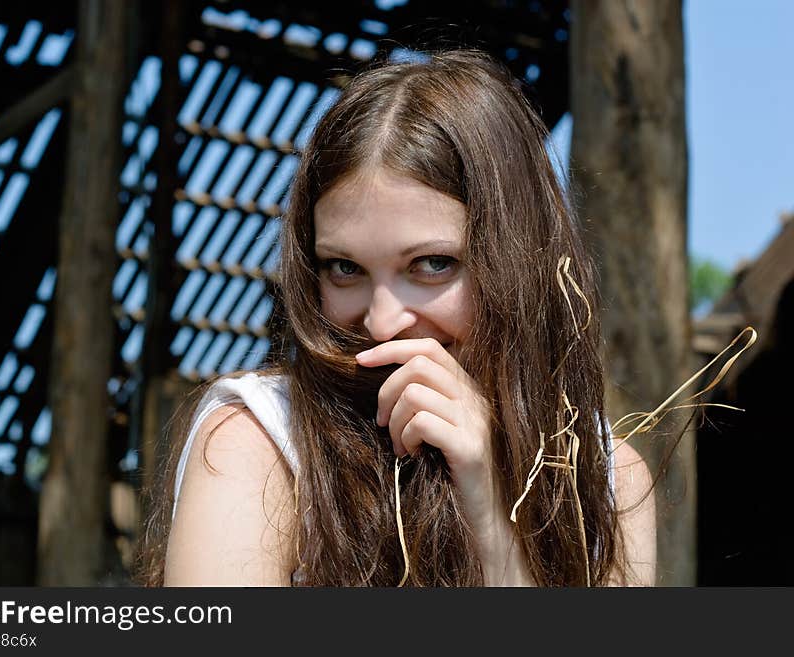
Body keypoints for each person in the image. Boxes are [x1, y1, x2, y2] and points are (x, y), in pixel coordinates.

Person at [135, 49, 656, 587]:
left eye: (432, 264)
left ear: (518, 260)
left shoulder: (610, 481)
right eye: (344, 267)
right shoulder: (262, 440)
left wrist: (493, 520)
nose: (382, 324)